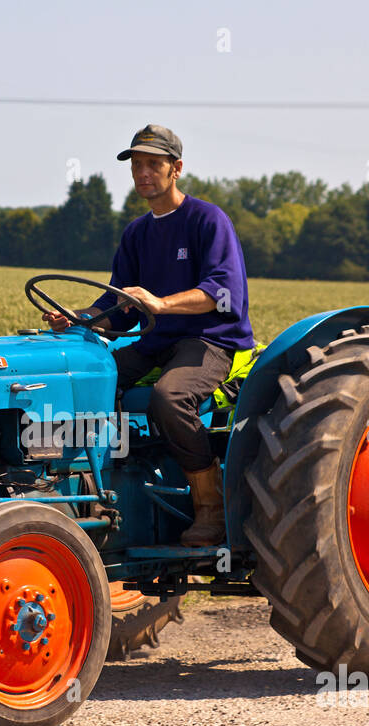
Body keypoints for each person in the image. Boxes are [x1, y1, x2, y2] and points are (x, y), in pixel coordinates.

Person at [42, 124, 255, 547]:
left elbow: (223, 293)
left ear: (176, 168)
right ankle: (95, 493)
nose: (143, 173)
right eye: (137, 165)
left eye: (153, 164)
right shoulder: (137, 233)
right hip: (158, 342)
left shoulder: (207, 220)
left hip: (211, 339)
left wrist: (160, 304)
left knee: (169, 397)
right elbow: (117, 310)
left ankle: (210, 507)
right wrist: (78, 317)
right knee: (86, 381)